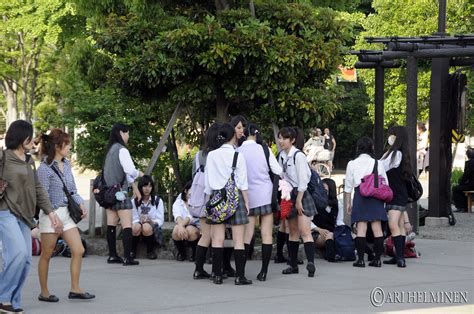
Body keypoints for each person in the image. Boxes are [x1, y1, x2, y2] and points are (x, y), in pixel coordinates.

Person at [0, 120, 63, 313]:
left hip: (25, 216)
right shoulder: (3, 157)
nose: (33, 141)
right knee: (18, 253)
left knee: (26, 259)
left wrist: (51, 212)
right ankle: (3, 298)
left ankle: (12, 300)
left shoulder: (29, 161)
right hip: (6, 212)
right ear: (21, 137)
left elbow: (37, 188)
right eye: (30, 136)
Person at [36, 129, 94, 302]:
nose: (69, 147)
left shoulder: (67, 165)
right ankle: (44, 292)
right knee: (47, 254)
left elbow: (72, 190)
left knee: (79, 250)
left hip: (66, 213)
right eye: (67, 144)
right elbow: (42, 197)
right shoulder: (44, 170)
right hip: (50, 214)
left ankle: (75, 289)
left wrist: (81, 203)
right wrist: (52, 216)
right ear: (57, 146)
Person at [205, 123, 251, 285]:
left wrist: (209, 201)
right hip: (235, 198)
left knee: (217, 239)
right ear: (232, 136)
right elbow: (243, 182)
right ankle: (240, 277)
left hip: (217, 197)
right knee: (239, 240)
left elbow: (208, 184)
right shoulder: (238, 156)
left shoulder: (211, 155)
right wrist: (247, 202)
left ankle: (217, 275)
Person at [238, 123, 283, 281]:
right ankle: (263, 272)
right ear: (257, 134)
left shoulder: (239, 151)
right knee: (266, 235)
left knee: (247, 235)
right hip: (266, 195)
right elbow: (278, 170)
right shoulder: (264, 149)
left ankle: (241, 271)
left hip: (248, 198)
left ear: (244, 134)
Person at [277, 127, 318, 277]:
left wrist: (299, 200)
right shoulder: (281, 155)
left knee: (305, 231)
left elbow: (303, 180)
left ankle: (311, 263)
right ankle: (293, 265)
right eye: (280, 138)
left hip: (301, 194)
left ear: (292, 140)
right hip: (288, 194)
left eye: (284, 138)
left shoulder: (298, 156)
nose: (281, 141)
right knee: (292, 231)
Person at [344, 137, 388, 268]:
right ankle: (377, 259)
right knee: (377, 229)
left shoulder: (352, 164)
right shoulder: (377, 163)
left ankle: (361, 260)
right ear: (371, 148)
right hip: (375, 196)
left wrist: (348, 203)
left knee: (361, 228)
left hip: (360, 196)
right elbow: (385, 182)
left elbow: (348, 186)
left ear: (358, 148)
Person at [103, 123, 143, 266]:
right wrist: (139, 173)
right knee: (127, 225)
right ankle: (127, 257)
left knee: (111, 224)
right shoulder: (122, 150)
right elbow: (129, 170)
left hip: (109, 193)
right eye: (127, 133)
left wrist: (136, 188)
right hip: (121, 192)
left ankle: (112, 255)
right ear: (121, 132)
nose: (128, 136)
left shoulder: (109, 150)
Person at [380, 126, 413, 268]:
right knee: (399, 225)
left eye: (391, 135)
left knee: (393, 224)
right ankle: (398, 255)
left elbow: (381, 166)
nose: (390, 138)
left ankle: (400, 258)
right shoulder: (401, 153)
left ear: (396, 137)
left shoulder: (395, 154)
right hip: (399, 193)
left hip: (396, 194)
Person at [193, 123, 221, 279]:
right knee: (217, 236)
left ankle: (198, 269)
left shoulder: (199, 155)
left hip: (202, 201)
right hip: (216, 200)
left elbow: (194, 177)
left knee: (206, 235)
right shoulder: (219, 155)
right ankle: (218, 270)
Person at [131, 175, 164, 260]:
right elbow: (134, 217)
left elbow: (160, 219)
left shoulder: (157, 201)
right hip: (138, 224)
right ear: (140, 187)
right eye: (145, 186)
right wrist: (140, 221)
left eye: (150, 186)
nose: (147, 189)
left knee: (146, 227)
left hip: (151, 226)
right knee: (135, 227)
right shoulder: (134, 201)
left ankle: (150, 251)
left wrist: (151, 221)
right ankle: (132, 250)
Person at [311, 178, 343, 262]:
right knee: (329, 235)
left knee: (351, 235)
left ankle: (369, 255)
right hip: (316, 232)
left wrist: (344, 230)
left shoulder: (337, 204)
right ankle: (331, 257)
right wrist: (319, 229)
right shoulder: (315, 202)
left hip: (332, 231)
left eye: (324, 190)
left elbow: (339, 221)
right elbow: (308, 221)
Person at [172, 181, 200, 262]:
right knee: (175, 230)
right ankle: (181, 252)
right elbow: (177, 216)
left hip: (195, 225)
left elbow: (192, 217)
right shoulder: (178, 202)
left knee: (190, 230)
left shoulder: (198, 202)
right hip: (182, 224)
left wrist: (181, 226)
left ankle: (195, 254)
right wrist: (181, 226)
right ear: (186, 190)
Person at [452, 147, 474, 212]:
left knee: (456, 188)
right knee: (463, 188)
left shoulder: (469, 163)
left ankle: (462, 207)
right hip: (471, 184)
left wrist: (461, 182)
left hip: (472, 185)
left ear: (467, 155)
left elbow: (466, 176)